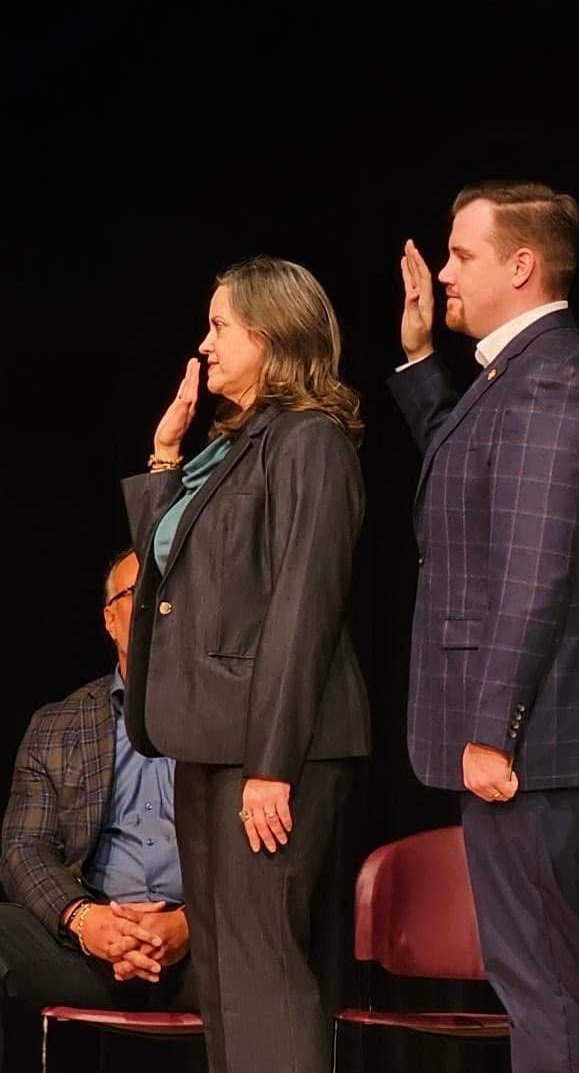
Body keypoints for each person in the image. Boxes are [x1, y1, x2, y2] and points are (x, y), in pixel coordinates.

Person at [391, 180, 579, 1073]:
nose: (444, 272)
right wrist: (419, 361)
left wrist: (494, 731)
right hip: (520, 732)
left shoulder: (555, 379)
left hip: (528, 735)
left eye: (462, 255)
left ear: (522, 267)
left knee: (541, 977)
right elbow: (467, 465)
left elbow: (533, 572)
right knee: (528, 969)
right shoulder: (517, 376)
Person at [122, 256, 370, 1072]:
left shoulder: (311, 441)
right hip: (210, 739)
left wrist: (272, 764)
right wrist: (165, 456)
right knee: (223, 980)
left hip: (269, 749)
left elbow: (304, 606)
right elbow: (176, 576)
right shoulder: (231, 448)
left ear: (271, 335)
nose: (206, 343)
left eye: (221, 325)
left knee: (262, 970)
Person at [0, 551, 197, 1067]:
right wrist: (86, 920)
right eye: (137, 594)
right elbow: (24, 849)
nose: (156, 606)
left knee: (286, 939)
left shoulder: (231, 722)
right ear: (110, 619)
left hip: (206, 952)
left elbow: (261, 856)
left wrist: (190, 926)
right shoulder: (57, 725)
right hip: (89, 951)